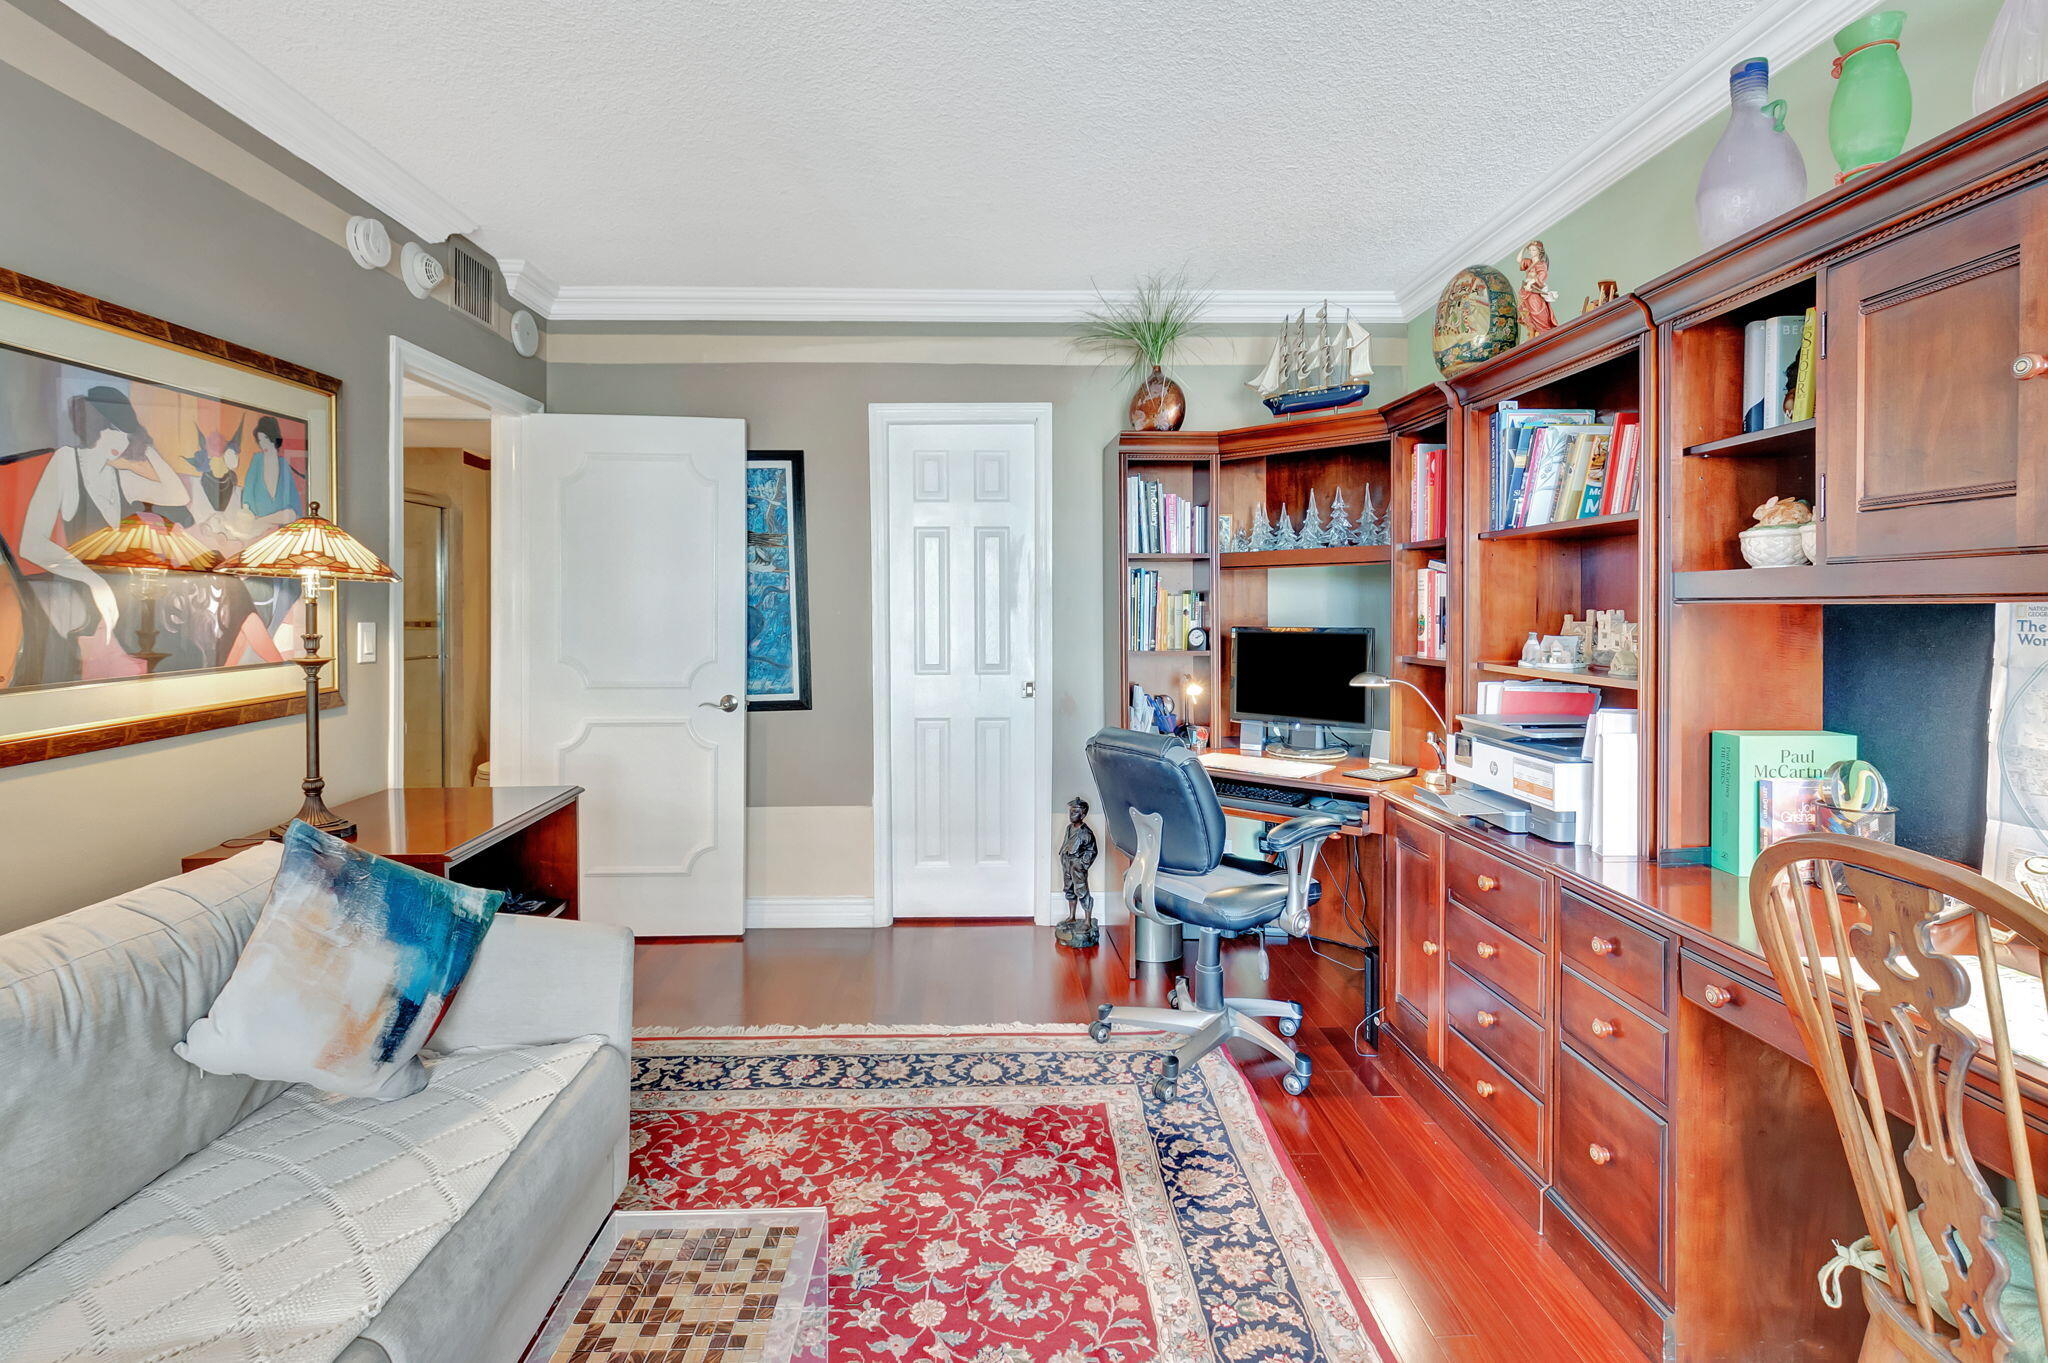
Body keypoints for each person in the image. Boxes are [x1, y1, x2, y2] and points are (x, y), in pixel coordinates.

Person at [12, 385, 188, 681]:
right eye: (113, 430)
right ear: (95, 426)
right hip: (83, 579)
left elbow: (178, 494)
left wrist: (145, 447)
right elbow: (31, 543)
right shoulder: (66, 461)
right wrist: (93, 581)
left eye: (125, 432)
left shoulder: (121, 476)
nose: (121, 440)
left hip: (125, 587)